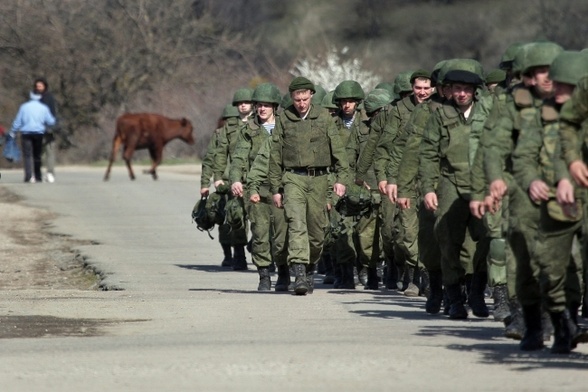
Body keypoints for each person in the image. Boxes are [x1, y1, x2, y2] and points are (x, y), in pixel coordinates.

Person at [512, 50, 588, 354]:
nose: (555, 90)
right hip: (551, 201)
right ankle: (558, 324)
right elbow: (523, 158)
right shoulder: (538, 117)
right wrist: (533, 181)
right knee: (548, 267)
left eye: (563, 85)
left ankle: (570, 321)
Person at [419, 59, 493, 319]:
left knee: (484, 237)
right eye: (457, 88)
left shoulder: (487, 113)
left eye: (466, 89)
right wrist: (428, 188)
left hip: (481, 182)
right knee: (448, 239)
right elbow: (428, 153)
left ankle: (476, 292)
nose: (461, 93)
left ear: (475, 91)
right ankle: (453, 298)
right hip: (450, 181)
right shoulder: (441, 114)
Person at [268, 76, 349, 295]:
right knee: (296, 224)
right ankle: (300, 274)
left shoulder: (324, 117)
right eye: (297, 99)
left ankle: (310, 267)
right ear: (292, 98)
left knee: (316, 232)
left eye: (305, 98)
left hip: (320, 179)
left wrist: (341, 180)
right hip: (293, 178)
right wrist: (276, 189)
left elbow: (339, 152)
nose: (301, 103)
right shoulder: (284, 119)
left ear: (311, 96)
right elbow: (275, 156)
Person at [229, 83, 287, 291]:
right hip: (257, 188)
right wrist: (235, 179)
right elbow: (239, 158)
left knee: (282, 234)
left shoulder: (285, 127)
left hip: (282, 188)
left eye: (266, 105)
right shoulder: (249, 130)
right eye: (259, 105)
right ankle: (263, 274)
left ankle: (283, 272)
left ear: (274, 107)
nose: (262, 109)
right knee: (260, 233)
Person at [213, 88, 254, 270]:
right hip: (236, 180)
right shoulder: (229, 128)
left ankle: (263, 252)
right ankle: (239, 255)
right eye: (240, 103)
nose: (243, 105)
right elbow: (221, 154)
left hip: (257, 179)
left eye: (246, 102)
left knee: (264, 219)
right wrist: (218, 177)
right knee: (236, 218)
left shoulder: (261, 123)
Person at [200, 103, 239, 266]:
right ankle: (229, 255)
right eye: (228, 120)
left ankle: (238, 253)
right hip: (222, 181)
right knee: (223, 220)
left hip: (240, 181)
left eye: (233, 120)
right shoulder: (218, 136)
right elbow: (210, 159)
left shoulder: (246, 132)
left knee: (239, 220)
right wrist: (206, 182)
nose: (230, 124)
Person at [9, 91, 56, 183]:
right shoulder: (44, 108)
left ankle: (28, 176)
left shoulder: (24, 107)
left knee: (27, 155)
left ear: (30, 96)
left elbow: (18, 121)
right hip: (39, 133)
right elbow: (51, 121)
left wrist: (13, 131)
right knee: (37, 155)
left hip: (26, 133)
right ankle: (38, 176)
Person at [33, 78, 58, 183]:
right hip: (35, 128)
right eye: (37, 86)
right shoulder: (33, 98)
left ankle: (50, 173)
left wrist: (51, 126)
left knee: (50, 151)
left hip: (48, 128)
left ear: (44, 86)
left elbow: (53, 113)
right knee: (39, 153)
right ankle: (38, 173)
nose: (38, 88)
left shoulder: (49, 98)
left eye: (40, 86)